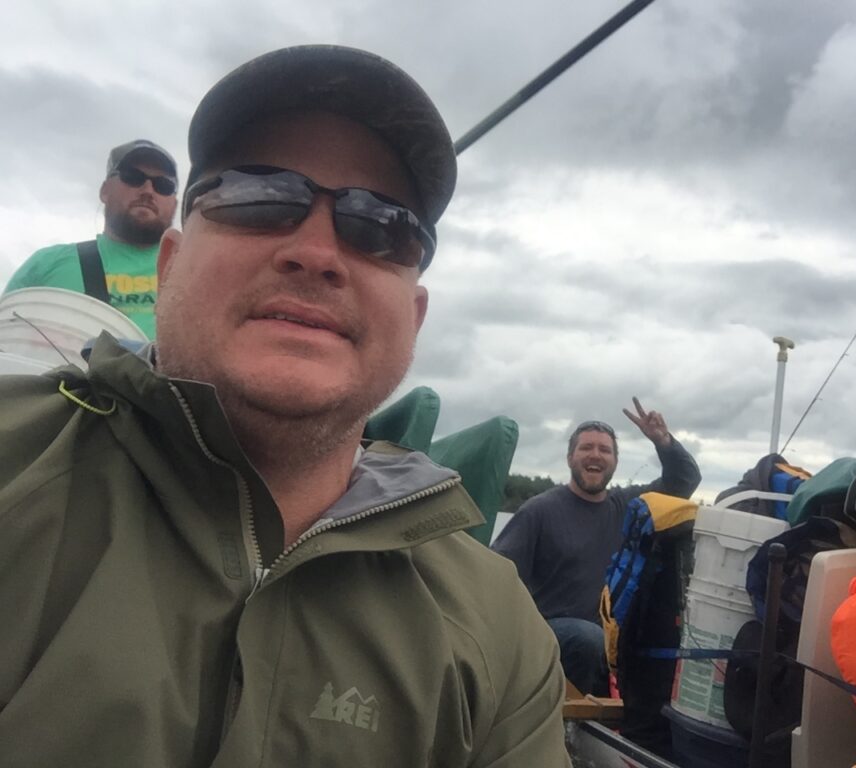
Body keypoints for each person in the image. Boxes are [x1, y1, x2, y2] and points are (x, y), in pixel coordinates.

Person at [0, 46, 569, 767]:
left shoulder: (500, 632)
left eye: (382, 225)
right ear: (170, 266)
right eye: (257, 195)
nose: (317, 252)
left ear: (415, 319)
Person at [492, 398, 701, 695]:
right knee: (588, 638)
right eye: (586, 448)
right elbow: (496, 576)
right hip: (547, 634)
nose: (596, 455)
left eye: (605, 450)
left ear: (615, 461)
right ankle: (581, 722)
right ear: (570, 458)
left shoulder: (627, 506)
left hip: (611, 641)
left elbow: (684, 481)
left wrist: (663, 441)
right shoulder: (538, 511)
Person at [2, 139, 178, 339]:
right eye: (133, 177)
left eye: (163, 185)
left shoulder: (198, 270)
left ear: (175, 204)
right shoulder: (45, 265)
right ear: (104, 190)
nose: (148, 190)